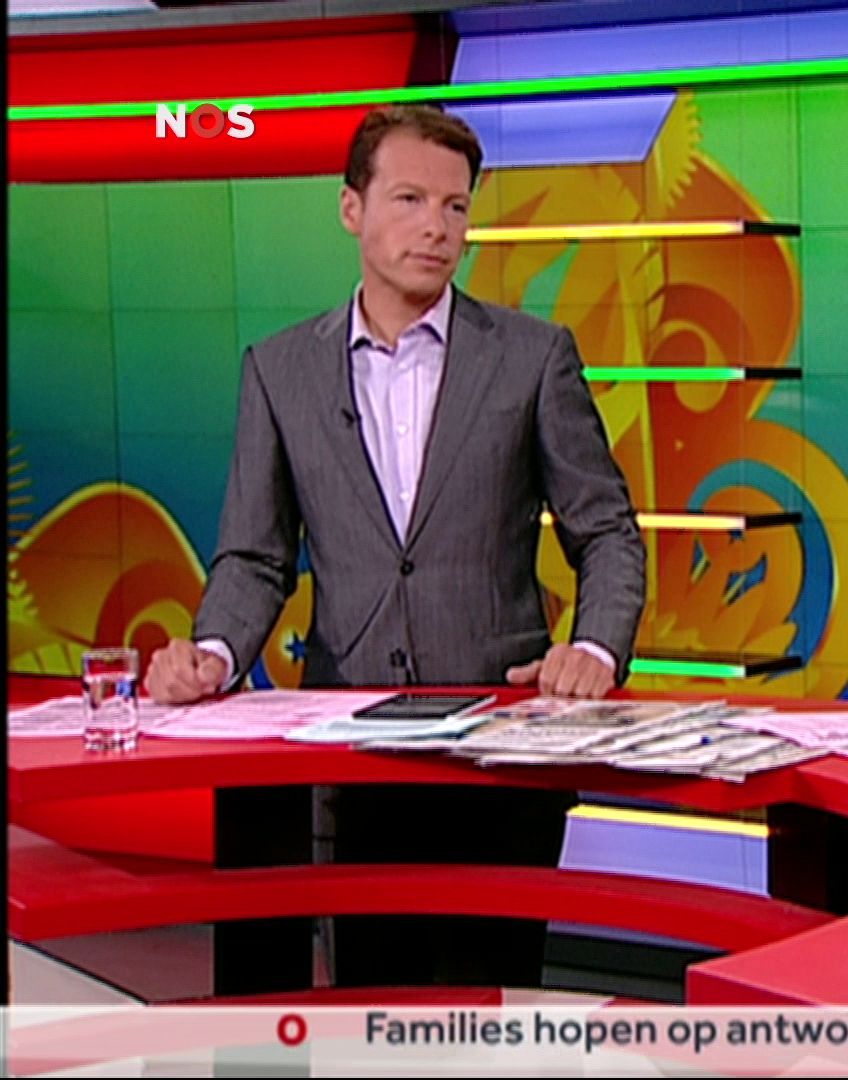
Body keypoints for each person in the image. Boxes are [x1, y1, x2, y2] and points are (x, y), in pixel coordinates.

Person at [144, 104, 647, 990]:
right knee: (371, 1013)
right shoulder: (281, 370)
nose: (437, 227)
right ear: (352, 208)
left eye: (456, 206)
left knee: (489, 1014)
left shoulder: (532, 358)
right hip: (354, 755)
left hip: (500, 752)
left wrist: (596, 649)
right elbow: (256, 556)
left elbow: (604, 528)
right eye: (410, 199)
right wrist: (214, 653)